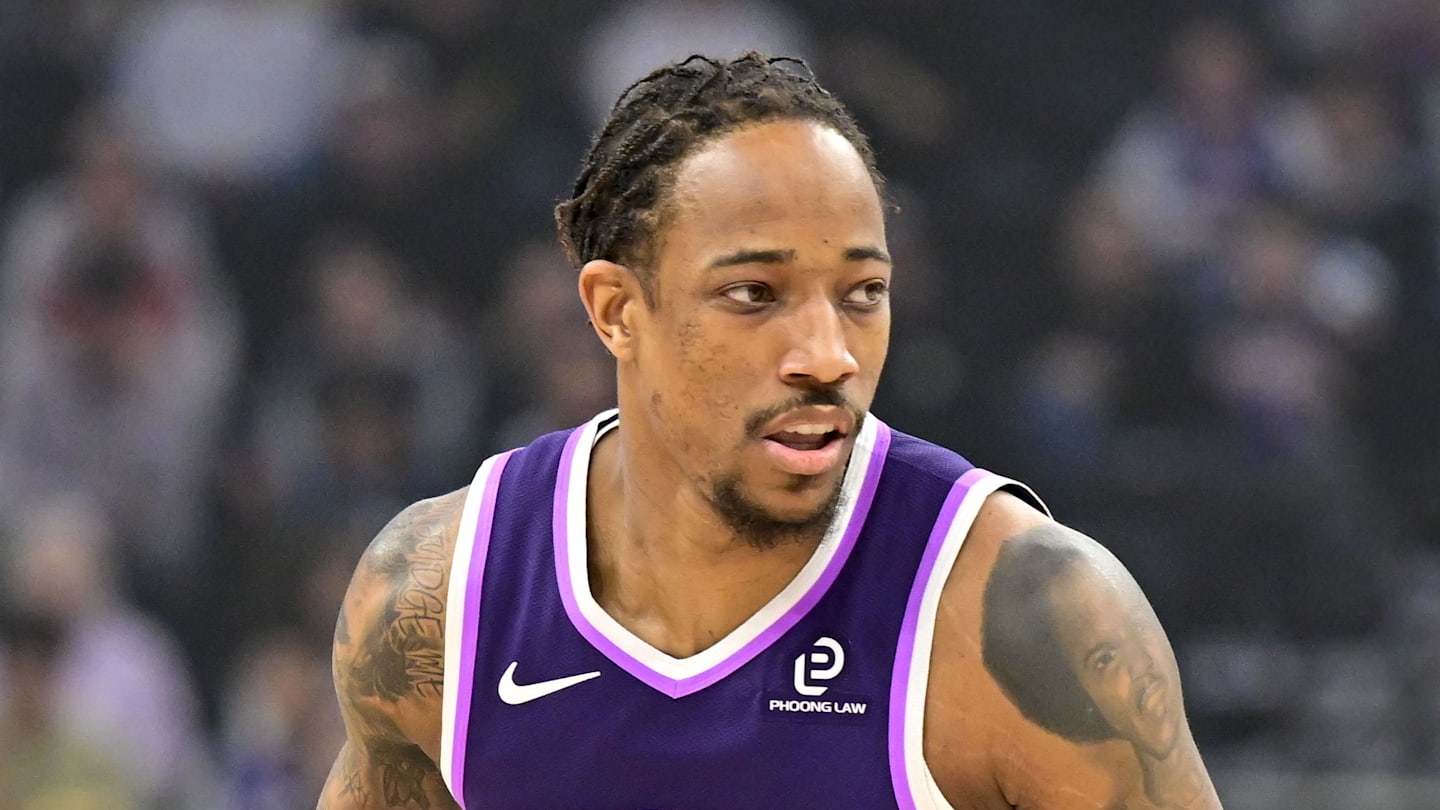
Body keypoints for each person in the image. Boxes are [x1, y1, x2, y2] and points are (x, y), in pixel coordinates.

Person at [318, 52, 1223, 809]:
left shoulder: (1023, 610)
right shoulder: (437, 601)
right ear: (616, 311)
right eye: (755, 295)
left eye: (861, 293)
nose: (827, 356)